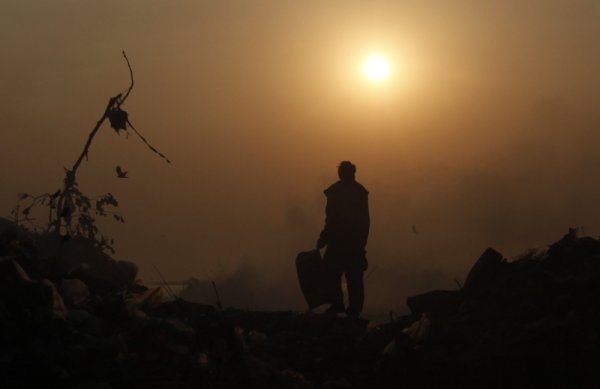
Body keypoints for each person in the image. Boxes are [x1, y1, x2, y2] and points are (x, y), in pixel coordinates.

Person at [317, 161, 370, 320]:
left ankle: (337, 304)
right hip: (354, 242)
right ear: (353, 174)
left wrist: (323, 238)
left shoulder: (336, 191)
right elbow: (365, 221)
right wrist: (362, 244)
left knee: (331, 273)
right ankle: (354, 310)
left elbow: (331, 219)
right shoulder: (360, 192)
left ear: (341, 174)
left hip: (338, 242)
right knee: (354, 277)